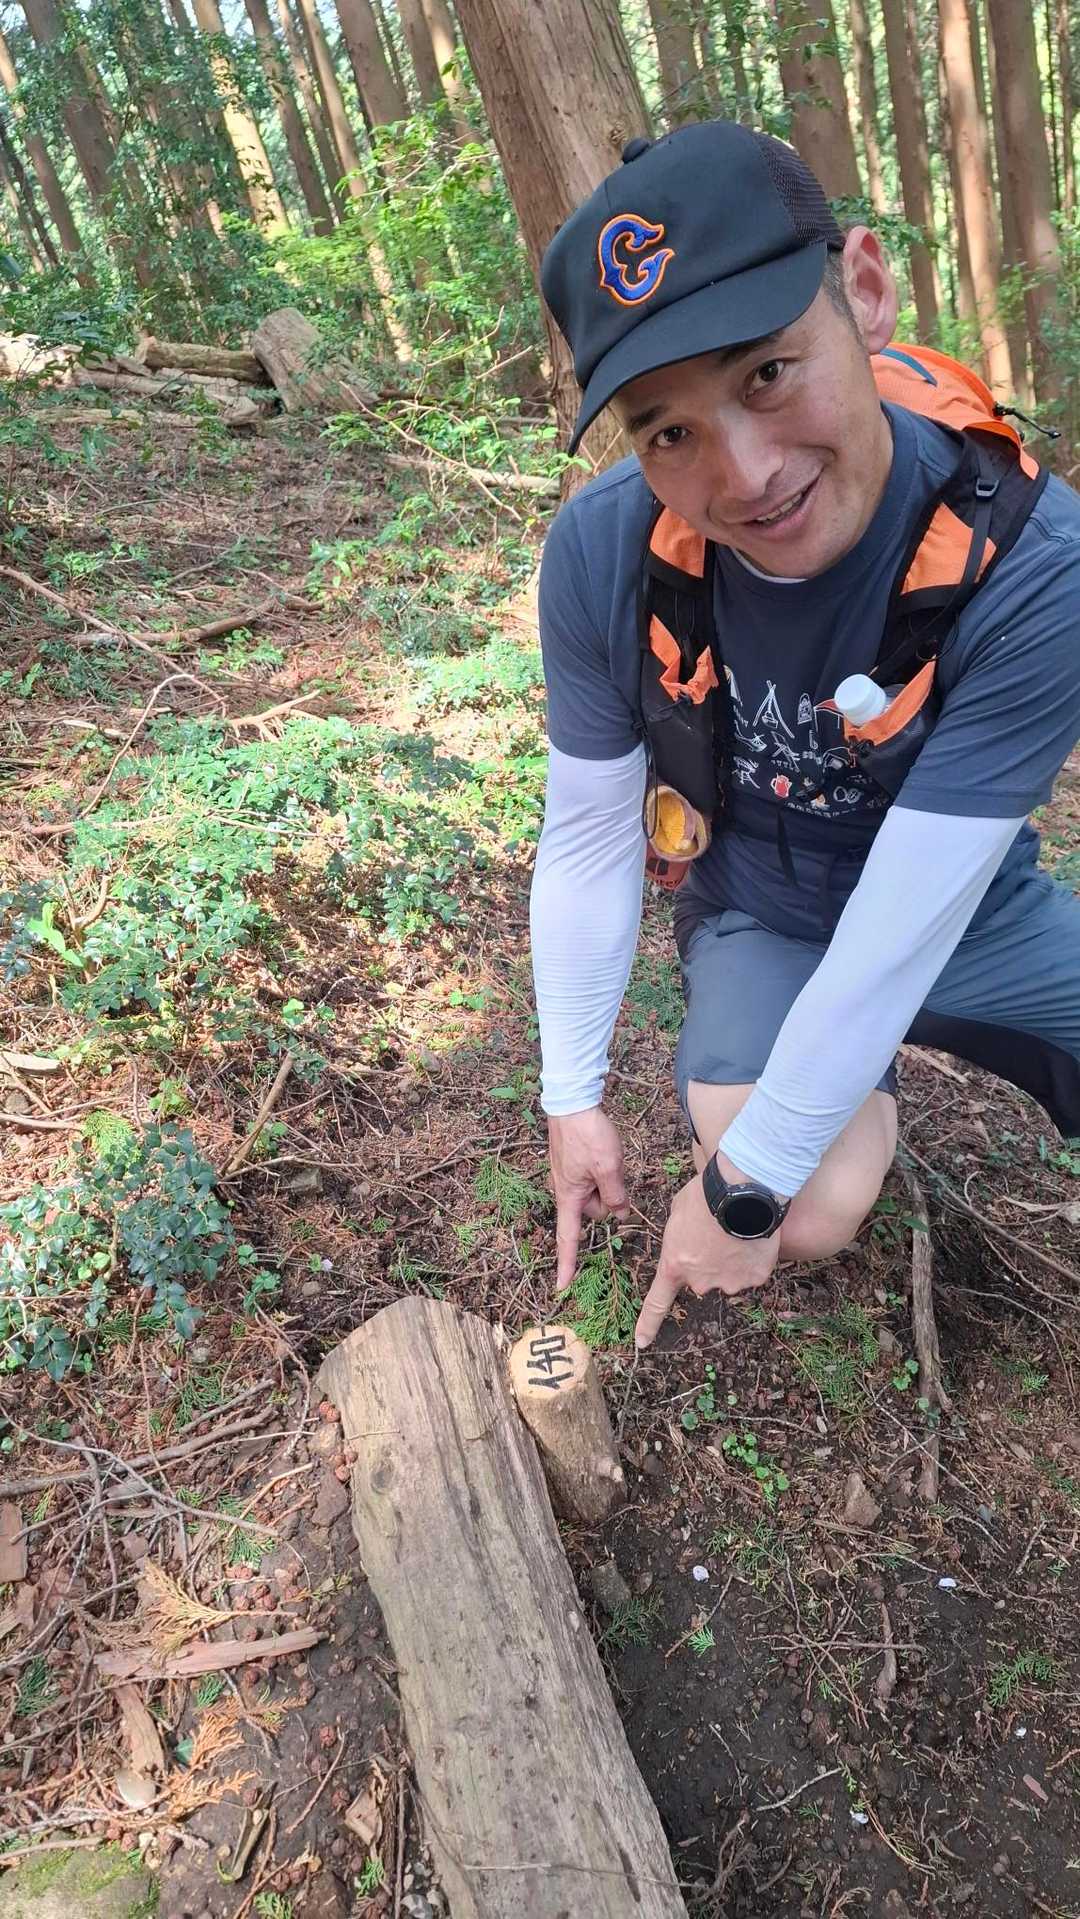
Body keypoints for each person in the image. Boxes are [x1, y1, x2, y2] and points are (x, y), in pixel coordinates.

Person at [529, 119, 1080, 1351]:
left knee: (774, 1168)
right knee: (814, 1203)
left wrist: (734, 1191)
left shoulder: (1033, 565)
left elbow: (903, 932)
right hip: (763, 913)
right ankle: (841, 1090)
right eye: (669, 431)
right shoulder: (604, 555)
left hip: (962, 917)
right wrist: (573, 1098)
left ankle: (832, 1076)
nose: (746, 473)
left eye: (767, 372)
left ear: (865, 293)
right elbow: (587, 842)